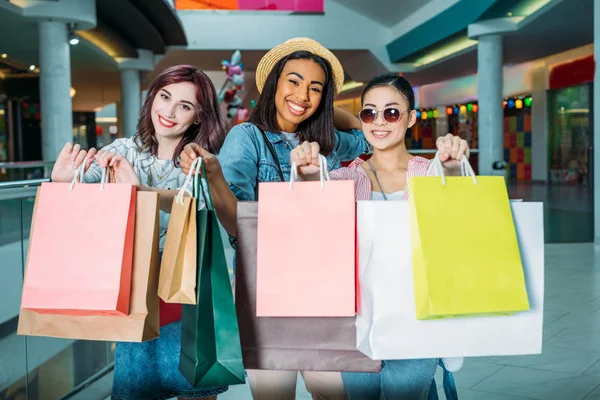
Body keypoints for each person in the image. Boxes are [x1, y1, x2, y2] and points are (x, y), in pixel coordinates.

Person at [180, 37, 371, 399]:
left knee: (333, 392)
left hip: (324, 291)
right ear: (274, 85)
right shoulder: (247, 137)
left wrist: (329, 111)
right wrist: (216, 174)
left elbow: (369, 138)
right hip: (265, 293)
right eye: (294, 81)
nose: (302, 95)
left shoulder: (328, 140)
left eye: (315, 88)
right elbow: (238, 225)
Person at [49, 65, 230, 400]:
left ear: (198, 118)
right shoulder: (123, 151)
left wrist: (140, 192)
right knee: (136, 388)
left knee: (196, 391)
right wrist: (61, 181)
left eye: (185, 106)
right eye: (165, 96)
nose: (170, 111)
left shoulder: (200, 160)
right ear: (152, 97)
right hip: (135, 290)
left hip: (186, 288)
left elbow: (196, 204)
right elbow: (83, 196)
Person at [289, 72, 467, 400]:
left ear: (411, 118)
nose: (379, 122)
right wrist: (307, 177)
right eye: (369, 113)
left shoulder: (430, 173)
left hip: (416, 320)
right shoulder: (343, 177)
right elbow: (312, 216)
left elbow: (455, 214)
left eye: (392, 112)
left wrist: (453, 169)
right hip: (357, 323)